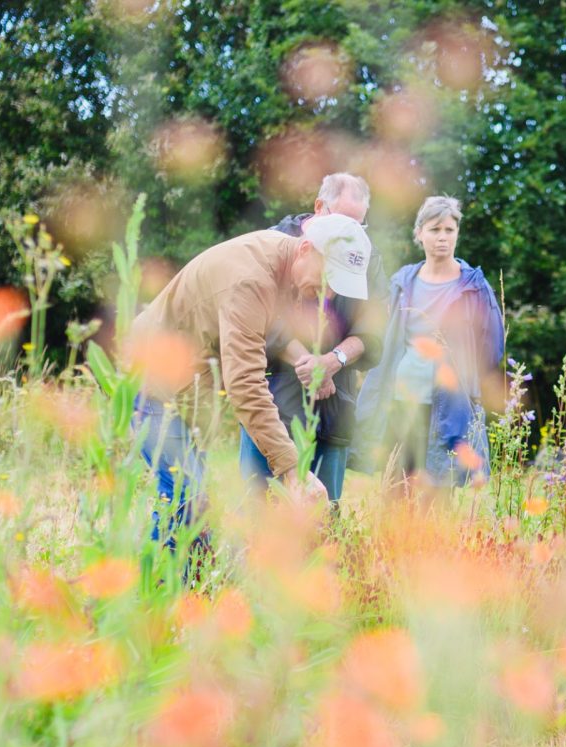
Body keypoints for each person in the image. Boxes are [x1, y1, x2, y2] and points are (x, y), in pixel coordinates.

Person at [129, 214, 372, 550]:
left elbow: (269, 333)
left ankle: (188, 587)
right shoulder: (252, 281)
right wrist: (293, 471)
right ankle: (161, 592)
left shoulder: (283, 263)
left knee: (193, 499)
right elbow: (245, 383)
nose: (327, 292)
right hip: (153, 380)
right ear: (305, 249)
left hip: (186, 390)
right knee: (185, 496)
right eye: (328, 278)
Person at [237, 174, 387, 503]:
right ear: (319, 207)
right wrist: (308, 362)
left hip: (335, 404)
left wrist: (334, 361)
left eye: (359, 225)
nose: (352, 233)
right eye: (344, 220)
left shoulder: (366, 257)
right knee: (258, 507)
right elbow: (257, 315)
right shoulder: (276, 242)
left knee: (324, 513)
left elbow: (375, 330)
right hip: (275, 397)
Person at [354, 196, 504, 487]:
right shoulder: (403, 281)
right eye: (435, 230)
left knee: (439, 493)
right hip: (401, 401)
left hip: (449, 406)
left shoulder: (473, 286)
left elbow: (491, 347)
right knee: (395, 490)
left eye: (450, 230)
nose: (443, 238)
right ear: (419, 233)